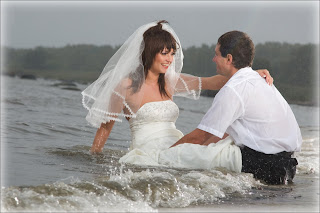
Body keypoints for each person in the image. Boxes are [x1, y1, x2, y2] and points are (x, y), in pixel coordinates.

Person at [82, 20, 273, 173]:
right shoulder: (126, 86)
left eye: (172, 54)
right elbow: (105, 128)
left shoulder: (169, 81)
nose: (170, 60)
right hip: (149, 151)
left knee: (227, 141)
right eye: (164, 53)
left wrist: (250, 74)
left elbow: (214, 82)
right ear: (150, 53)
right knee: (212, 156)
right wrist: (94, 159)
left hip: (177, 144)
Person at [171, 30, 302, 184]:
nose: (213, 59)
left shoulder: (233, 89)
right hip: (287, 168)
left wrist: (169, 152)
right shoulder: (259, 80)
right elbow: (217, 133)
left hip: (265, 168)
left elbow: (202, 136)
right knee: (214, 145)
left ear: (229, 59)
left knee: (188, 157)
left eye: (216, 54)